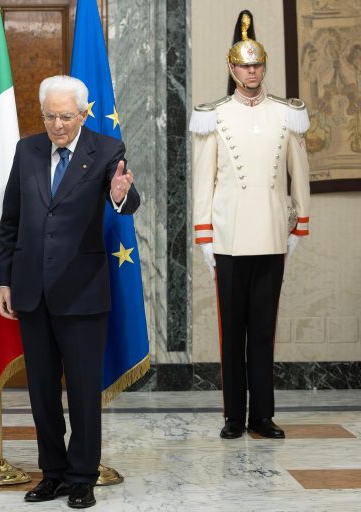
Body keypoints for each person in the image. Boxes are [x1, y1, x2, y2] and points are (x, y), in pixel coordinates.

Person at [0, 75, 140, 509]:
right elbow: (11, 220)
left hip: (82, 293)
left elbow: (127, 199)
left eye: (65, 116)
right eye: (49, 116)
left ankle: (81, 477)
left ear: (82, 114)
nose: (57, 125)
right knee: (41, 393)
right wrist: (4, 280)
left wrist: (120, 196)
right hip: (31, 291)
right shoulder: (27, 150)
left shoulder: (106, 149)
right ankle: (53, 474)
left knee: (82, 393)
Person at [189, 10, 310, 440]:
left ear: (264, 66)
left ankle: (262, 415)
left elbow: (300, 174)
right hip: (229, 237)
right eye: (244, 66)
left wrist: (298, 226)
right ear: (231, 68)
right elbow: (203, 181)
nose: (251, 72)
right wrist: (204, 236)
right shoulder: (214, 116)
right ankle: (233, 417)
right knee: (232, 332)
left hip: (273, 233)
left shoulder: (286, 114)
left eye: (257, 65)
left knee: (262, 330)